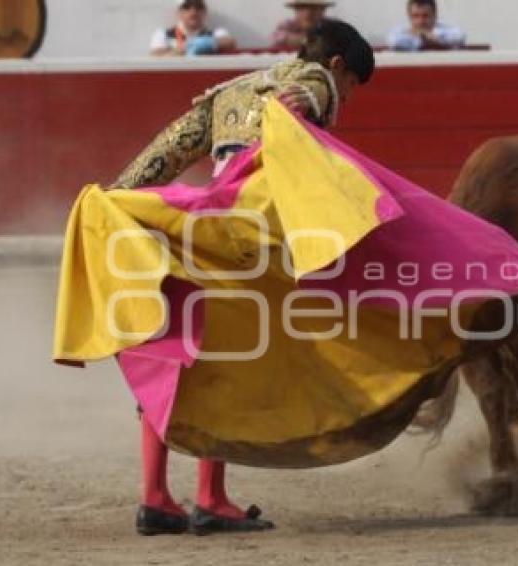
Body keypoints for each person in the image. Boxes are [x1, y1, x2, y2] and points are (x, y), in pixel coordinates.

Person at [112, 19, 375, 536]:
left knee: (174, 359)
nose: (345, 96)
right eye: (350, 86)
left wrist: (115, 197)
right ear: (338, 65)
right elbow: (295, 109)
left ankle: (156, 498)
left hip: (198, 231)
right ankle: (210, 498)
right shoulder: (316, 81)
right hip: (250, 242)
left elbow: (162, 155)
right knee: (236, 365)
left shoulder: (231, 90)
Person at [150, 0, 236, 57]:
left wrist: (207, 42)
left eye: (198, 7)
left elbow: (230, 42)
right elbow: (156, 55)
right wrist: (184, 49)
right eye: (187, 7)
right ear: (179, 12)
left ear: (204, 12)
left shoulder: (216, 33)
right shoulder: (163, 34)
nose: (193, 11)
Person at [388, 0, 466, 51]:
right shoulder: (401, 33)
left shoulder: (445, 31)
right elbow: (394, 42)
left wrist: (434, 37)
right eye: (416, 16)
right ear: (409, 17)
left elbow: (460, 37)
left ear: (435, 15)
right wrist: (424, 39)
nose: (420, 21)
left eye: (425, 16)